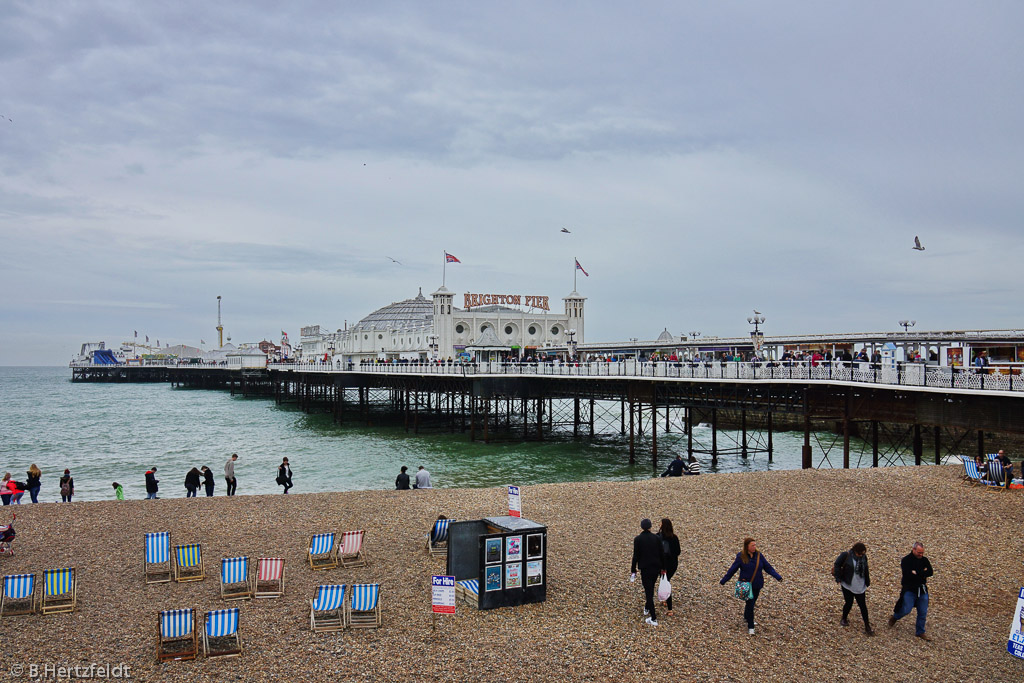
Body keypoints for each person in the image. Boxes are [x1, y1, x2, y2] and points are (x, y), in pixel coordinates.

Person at [720, 538, 783, 635]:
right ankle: (751, 626)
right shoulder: (741, 556)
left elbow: (768, 567)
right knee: (750, 604)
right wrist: (724, 580)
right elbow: (733, 569)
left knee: (752, 603)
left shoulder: (759, 555)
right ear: (747, 546)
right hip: (746, 585)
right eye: (752, 545)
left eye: (755, 545)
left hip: (757, 584)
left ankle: (747, 616)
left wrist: (778, 577)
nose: (754, 547)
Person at [888, 541, 934, 640]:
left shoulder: (924, 560)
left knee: (922, 612)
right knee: (906, 609)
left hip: (922, 590)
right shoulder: (906, 560)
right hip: (910, 589)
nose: (921, 555)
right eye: (919, 552)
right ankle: (895, 617)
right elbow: (908, 575)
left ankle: (920, 631)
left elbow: (930, 572)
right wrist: (922, 573)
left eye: (922, 553)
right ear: (913, 550)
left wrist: (917, 573)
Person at [833, 542, 874, 635]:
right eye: (860, 554)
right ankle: (844, 618)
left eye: (863, 554)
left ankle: (867, 626)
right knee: (849, 603)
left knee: (863, 606)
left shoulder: (864, 558)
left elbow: (866, 569)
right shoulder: (846, 555)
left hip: (860, 586)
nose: (861, 555)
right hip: (847, 585)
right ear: (855, 551)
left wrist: (867, 581)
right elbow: (837, 565)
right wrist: (838, 578)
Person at [630, 518, 663, 626]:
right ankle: (648, 606)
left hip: (645, 568)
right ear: (650, 527)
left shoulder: (638, 539)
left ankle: (653, 618)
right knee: (651, 587)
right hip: (656, 567)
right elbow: (661, 554)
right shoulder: (656, 538)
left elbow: (636, 555)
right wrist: (663, 567)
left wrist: (633, 568)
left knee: (648, 591)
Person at [657, 518, 681, 616]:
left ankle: (669, 608)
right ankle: (665, 599)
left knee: (665, 582)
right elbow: (678, 552)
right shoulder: (674, 537)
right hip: (672, 565)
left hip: (661, 564)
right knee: (666, 581)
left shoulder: (658, 537)